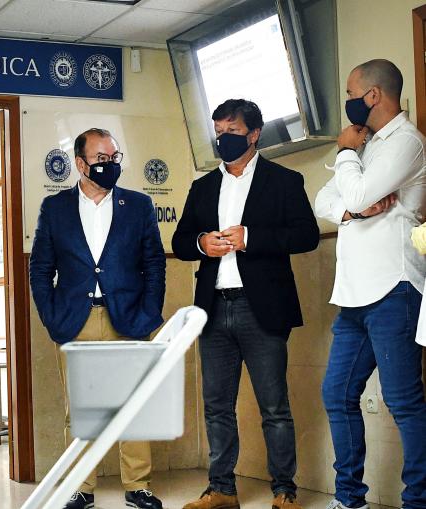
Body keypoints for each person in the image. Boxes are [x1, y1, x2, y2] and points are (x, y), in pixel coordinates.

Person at [173, 99, 319, 509]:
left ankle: (284, 491)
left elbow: (306, 235)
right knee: (217, 406)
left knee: (274, 407)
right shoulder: (202, 187)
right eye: (218, 132)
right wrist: (202, 243)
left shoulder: (284, 181)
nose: (224, 139)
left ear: (254, 134)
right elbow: (181, 241)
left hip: (263, 309)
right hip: (213, 308)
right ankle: (221, 489)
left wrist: (251, 238)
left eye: (232, 132)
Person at [29, 128, 166, 509]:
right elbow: (40, 268)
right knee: (82, 410)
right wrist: (52, 316)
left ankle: (137, 486)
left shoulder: (138, 206)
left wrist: (150, 313)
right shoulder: (54, 209)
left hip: (129, 319)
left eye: (114, 158)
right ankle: (81, 488)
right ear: (79, 163)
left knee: (133, 406)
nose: (110, 165)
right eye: (101, 159)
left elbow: (154, 263)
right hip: (75, 320)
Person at [314, 59, 426, 509]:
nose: (348, 101)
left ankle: (417, 500)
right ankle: (349, 499)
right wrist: (353, 208)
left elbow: (355, 192)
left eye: (350, 92)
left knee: (403, 402)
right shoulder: (366, 144)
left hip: (394, 289)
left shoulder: (408, 143)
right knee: (337, 394)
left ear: (373, 95)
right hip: (354, 295)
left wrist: (344, 157)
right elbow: (327, 199)